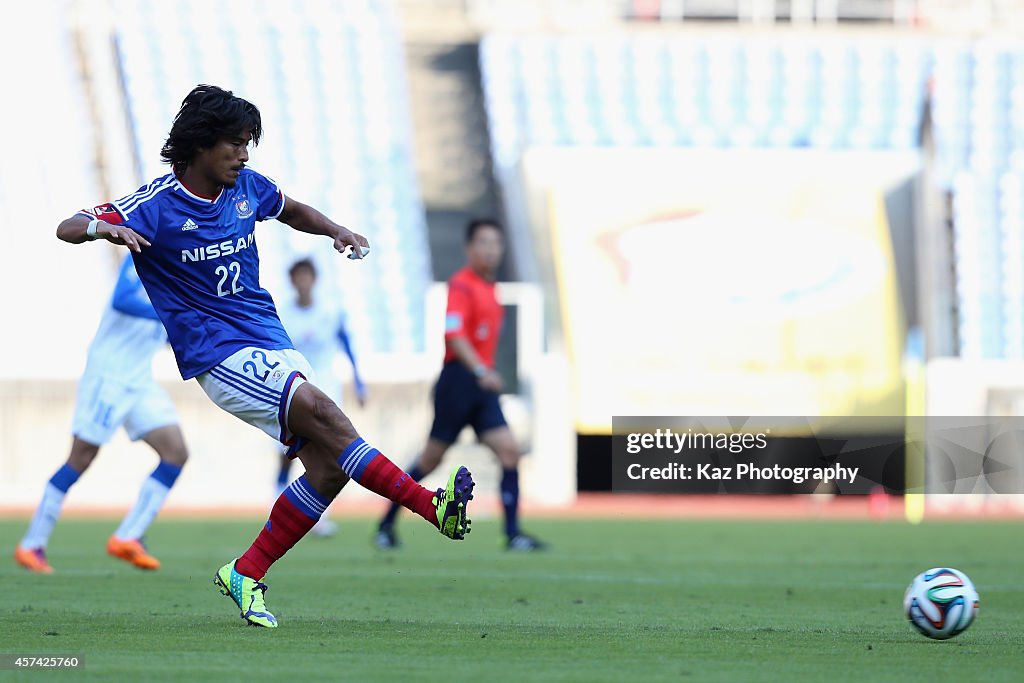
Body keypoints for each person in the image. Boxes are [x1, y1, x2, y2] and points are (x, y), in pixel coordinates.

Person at [56, 84, 474, 628]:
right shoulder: (155, 205)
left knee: (327, 468)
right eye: (235, 142)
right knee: (329, 418)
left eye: (249, 142)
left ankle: (245, 573)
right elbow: (67, 226)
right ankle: (430, 506)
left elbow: (291, 210)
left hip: (270, 340)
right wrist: (101, 227)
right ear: (203, 144)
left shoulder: (247, 188)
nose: (245, 153)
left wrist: (336, 231)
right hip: (219, 354)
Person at [375, 219, 545, 552]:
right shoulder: (462, 285)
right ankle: (385, 524)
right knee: (430, 460)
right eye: (483, 242)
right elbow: (454, 334)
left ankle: (513, 534)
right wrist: (482, 369)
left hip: (481, 388)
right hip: (459, 382)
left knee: (509, 451)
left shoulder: (491, 290)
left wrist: (485, 373)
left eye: (495, 243)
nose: (490, 249)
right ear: (470, 248)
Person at [14, 257, 188, 573]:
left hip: (139, 379)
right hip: (108, 376)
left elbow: (164, 331)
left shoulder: (179, 271)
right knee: (81, 458)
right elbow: (123, 299)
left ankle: (128, 537)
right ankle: (31, 545)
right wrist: (172, 313)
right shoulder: (143, 259)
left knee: (175, 453)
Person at [275, 257, 367, 537]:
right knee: (286, 455)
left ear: (314, 279)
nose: (303, 282)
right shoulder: (283, 314)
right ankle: (276, 510)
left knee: (328, 453)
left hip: (326, 389)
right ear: (293, 281)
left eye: (307, 276)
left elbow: (346, 342)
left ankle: (319, 518)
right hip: (292, 390)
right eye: (298, 277)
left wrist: (359, 382)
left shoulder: (330, 310)